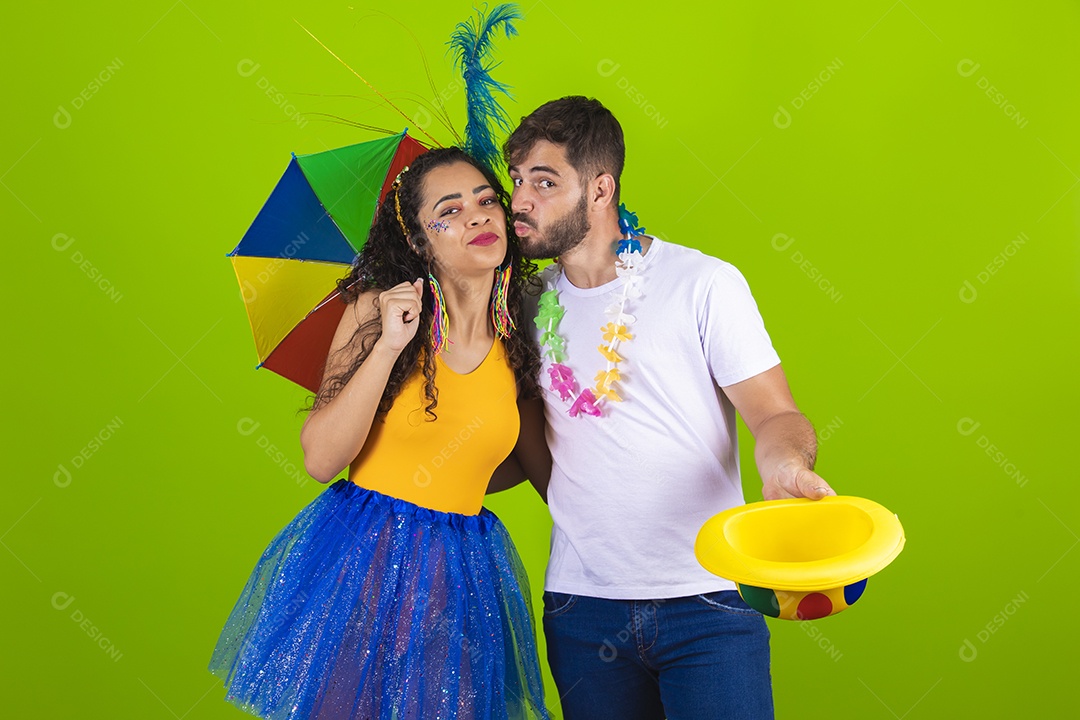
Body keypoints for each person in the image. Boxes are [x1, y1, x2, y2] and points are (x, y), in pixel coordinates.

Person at [502, 96, 836, 719]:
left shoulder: (702, 283)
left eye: (544, 182)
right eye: (516, 180)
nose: (520, 200)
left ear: (601, 189)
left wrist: (786, 466)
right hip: (581, 609)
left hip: (708, 598)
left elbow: (774, 414)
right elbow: (523, 439)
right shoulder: (524, 304)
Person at [209, 146, 551, 720]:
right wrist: (391, 343)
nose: (477, 217)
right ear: (418, 241)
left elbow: (528, 469)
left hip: (459, 573)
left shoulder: (519, 335)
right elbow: (321, 459)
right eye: (449, 211)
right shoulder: (376, 311)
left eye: (486, 200)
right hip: (366, 558)